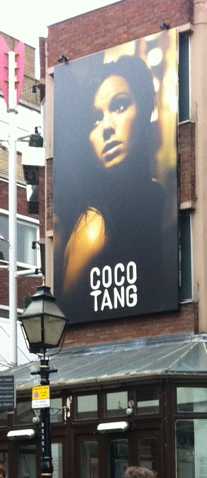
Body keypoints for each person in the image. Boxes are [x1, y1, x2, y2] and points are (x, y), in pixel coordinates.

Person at [53, 53, 175, 323]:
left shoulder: (155, 196)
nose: (106, 127)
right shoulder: (94, 230)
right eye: (94, 120)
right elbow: (63, 329)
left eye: (120, 106)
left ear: (144, 112)